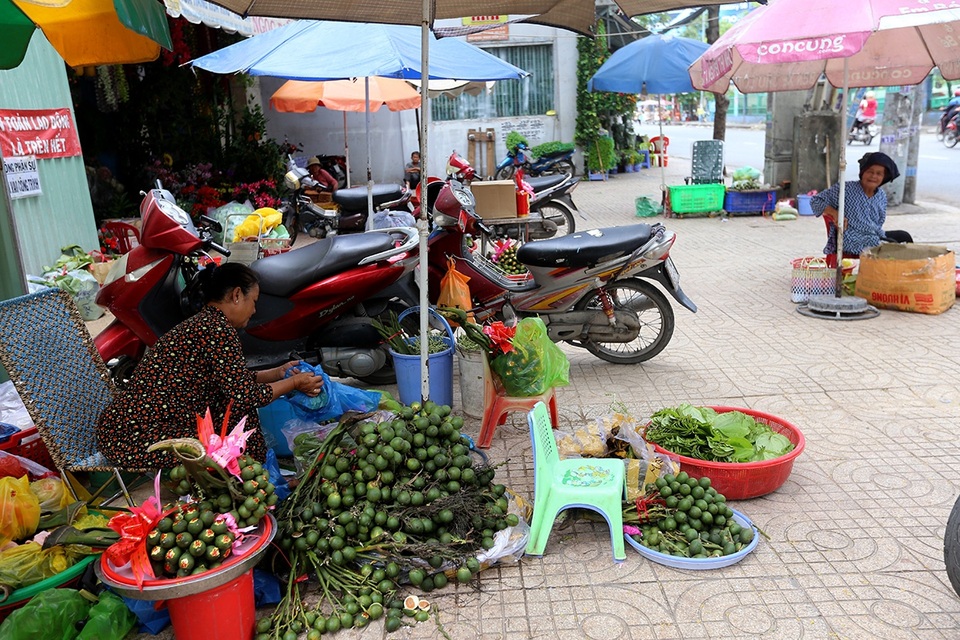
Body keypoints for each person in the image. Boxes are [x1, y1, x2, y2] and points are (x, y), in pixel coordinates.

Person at [96, 263, 325, 469]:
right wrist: (294, 382)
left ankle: (261, 473)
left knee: (233, 408)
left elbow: (233, 380)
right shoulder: (217, 330)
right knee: (234, 418)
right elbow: (246, 395)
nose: (254, 310)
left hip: (127, 429)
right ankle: (257, 476)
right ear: (237, 295)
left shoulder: (208, 323)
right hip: (133, 437)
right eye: (253, 301)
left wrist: (276, 373)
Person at [811, 151, 913, 265]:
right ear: (863, 172)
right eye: (870, 172)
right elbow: (815, 200)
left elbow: (879, 223)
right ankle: (883, 274)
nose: (874, 176)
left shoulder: (881, 196)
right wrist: (834, 212)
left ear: (883, 177)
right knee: (889, 246)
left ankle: (904, 273)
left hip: (873, 235)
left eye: (879, 173)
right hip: (851, 239)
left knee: (904, 237)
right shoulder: (845, 189)